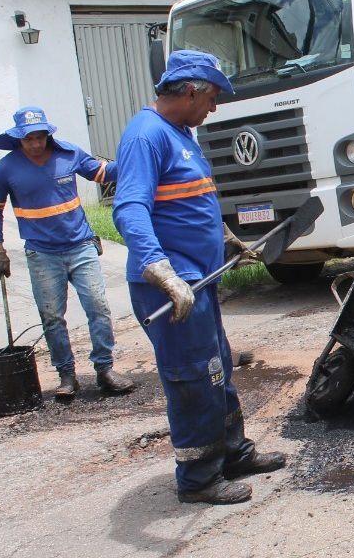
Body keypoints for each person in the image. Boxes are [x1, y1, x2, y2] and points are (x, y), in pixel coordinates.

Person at [113, 50, 285, 505]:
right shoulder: (146, 137)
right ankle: (197, 478)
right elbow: (130, 208)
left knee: (218, 369)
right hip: (172, 286)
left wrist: (226, 237)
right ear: (190, 90)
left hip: (200, 280)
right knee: (193, 378)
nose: (214, 108)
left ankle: (233, 452)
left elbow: (192, 200)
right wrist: (159, 268)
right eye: (211, 97)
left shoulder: (181, 134)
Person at [0, 106, 135, 400]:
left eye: (41, 137)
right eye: (30, 139)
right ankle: (67, 376)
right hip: (42, 254)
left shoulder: (69, 154)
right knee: (52, 316)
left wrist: (133, 159)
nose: (37, 144)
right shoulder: (5, 169)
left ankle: (104, 369)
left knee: (98, 308)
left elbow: (102, 173)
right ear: (18, 139)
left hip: (81, 247)